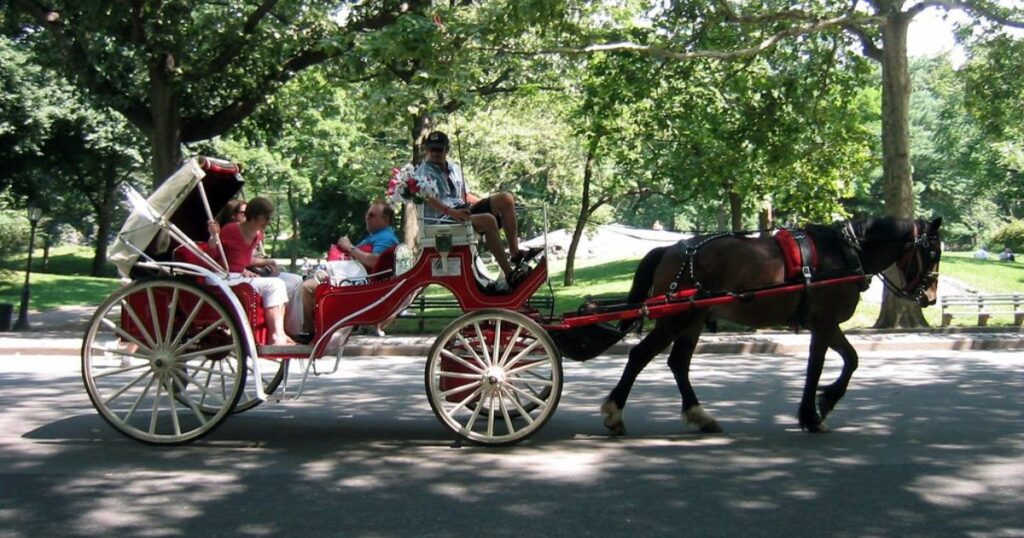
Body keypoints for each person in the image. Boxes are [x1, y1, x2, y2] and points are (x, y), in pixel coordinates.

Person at [416, 131, 539, 289]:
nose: (434, 153)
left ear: (447, 150)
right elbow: (426, 198)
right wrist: (452, 212)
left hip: (462, 210)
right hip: (443, 219)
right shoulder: (423, 172)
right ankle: (510, 274)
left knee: (506, 199)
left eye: (439, 150)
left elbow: (465, 195)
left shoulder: (454, 168)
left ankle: (515, 254)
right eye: (431, 149)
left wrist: (489, 204)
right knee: (488, 220)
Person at [208, 197, 303, 345]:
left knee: (283, 283)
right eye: (267, 217)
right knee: (276, 284)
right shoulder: (231, 230)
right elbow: (214, 254)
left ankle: (282, 332)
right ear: (258, 216)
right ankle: (277, 334)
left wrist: (247, 269)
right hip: (223, 277)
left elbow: (242, 259)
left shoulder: (258, 235)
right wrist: (214, 236)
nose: (269, 221)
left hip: (238, 276)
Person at [300, 200, 400, 336]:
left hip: (355, 285)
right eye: (367, 215)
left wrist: (350, 248)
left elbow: (375, 261)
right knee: (304, 283)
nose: (367, 218)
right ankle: (311, 330)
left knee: (306, 287)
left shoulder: (386, 238)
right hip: (349, 279)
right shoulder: (377, 236)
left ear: (385, 219)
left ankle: (309, 332)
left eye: (371, 215)